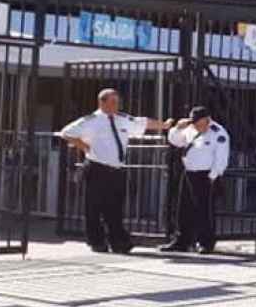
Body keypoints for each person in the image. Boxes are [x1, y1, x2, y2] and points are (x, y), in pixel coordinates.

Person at [58, 89, 160, 254]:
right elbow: (66, 133)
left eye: (117, 101)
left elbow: (143, 122)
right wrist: (84, 146)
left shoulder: (122, 118)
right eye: (113, 101)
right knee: (94, 208)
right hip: (97, 168)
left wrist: (165, 125)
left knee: (115, 208)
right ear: (102, 102)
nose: (116, 105)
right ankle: (97, 241)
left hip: (116, 170)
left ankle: (118, 241)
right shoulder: (91, 120)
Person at [162, 106, 230, 253]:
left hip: (206, 175)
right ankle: (182, 241)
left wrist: (213, 176)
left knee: (204, 210)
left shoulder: (218, 133)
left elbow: (221, 158)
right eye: (194, 123)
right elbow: (175, 141)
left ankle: (205, 242)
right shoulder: (190, 129)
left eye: (199, 123)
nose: (196, 126)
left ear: (207, 120)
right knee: (184, 209)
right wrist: (176, 129)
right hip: (189, 173)